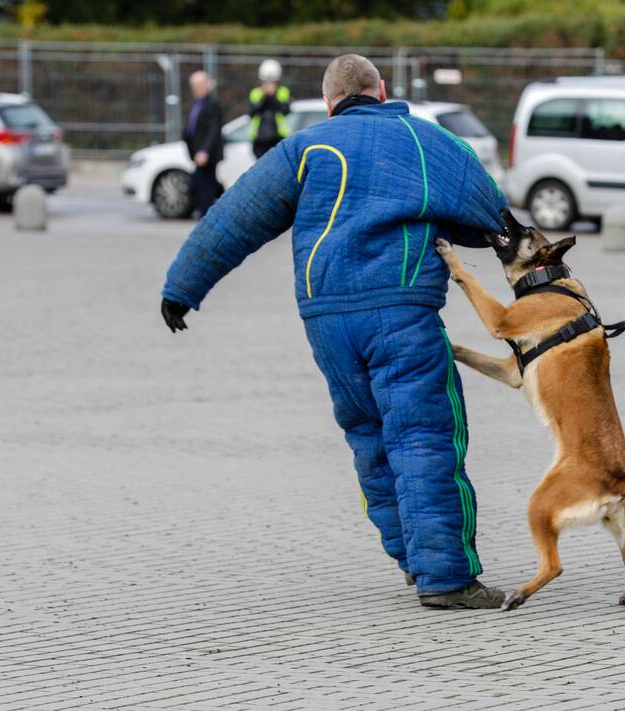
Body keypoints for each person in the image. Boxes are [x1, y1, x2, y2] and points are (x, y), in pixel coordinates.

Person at [159, 54, 508, 609]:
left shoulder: (308, 147)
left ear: (328, 102)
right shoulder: (423, 139)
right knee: (422, 437)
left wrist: (182, 286)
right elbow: (491, 211)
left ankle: (414, 564)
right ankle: (446, 575)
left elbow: (236, 216)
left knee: (370, 440)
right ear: (381, 89)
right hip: (400, 312)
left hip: (325, 320)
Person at [183, 71, 224, 217]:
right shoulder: (197, 103)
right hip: (196, 153)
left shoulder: (212, 104)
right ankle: (205, 214)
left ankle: (207, 217)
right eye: (193, 85)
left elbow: (213, 130)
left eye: (199, 85)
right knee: (197, 186)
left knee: (206, 189)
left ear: (206, 85)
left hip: (207, 155)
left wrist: (204, 151)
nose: (196, 88)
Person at [248, 59, 291, 159]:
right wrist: (263, 98)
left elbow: (285, 111)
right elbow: (252, 113)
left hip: (278, 137)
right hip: (259, 139)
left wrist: (273, 96)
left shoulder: (283, 92)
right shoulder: (255, 93)